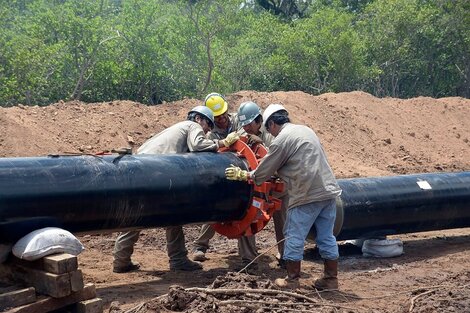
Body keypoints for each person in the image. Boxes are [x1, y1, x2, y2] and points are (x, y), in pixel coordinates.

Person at [225, 103, 342, 290]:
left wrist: (245, 175)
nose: (269, 132)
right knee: (326, 237)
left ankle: (292, 280)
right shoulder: (305, 130)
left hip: (306, 194)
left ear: (271, 124)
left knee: (294, 236)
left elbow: (263, 173)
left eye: (268, 128)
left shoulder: (281, 139)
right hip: (328, 191)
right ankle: (330, 279)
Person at [112, 105, 240, 273]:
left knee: (138, 215)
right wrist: (222, 143)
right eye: (207, 125)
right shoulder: (192, 126)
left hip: (139, 169)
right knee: (174, 213)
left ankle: (120, 260)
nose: (207, 130)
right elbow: (198, 145)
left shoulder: (175, 130)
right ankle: (178, 259)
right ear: (198, 119)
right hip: (157, 172)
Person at [192, 93, 258, 272]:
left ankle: (248, 258)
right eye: (217, 117)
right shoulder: (210, 130)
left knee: (246, 210)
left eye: (223, 115)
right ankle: (200, 246)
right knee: (216, 209)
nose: (221, 120)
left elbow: (248, 135)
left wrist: (238, 138)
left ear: (228, 111)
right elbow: (206, 147)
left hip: (243, 170)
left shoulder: (237, 120)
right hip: (221, 172)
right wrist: (220, 142)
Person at [237, 101, 288, 268]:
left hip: (276, 186)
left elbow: (277, 159)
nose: (246, 128)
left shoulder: (272, 133)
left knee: (284, 222)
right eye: (243, 125)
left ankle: (287, 257)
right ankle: (248, 260)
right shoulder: (241, 135)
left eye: (249, 124)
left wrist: (261, 144)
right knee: (245, 219)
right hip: (252, 186)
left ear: (259, 121)